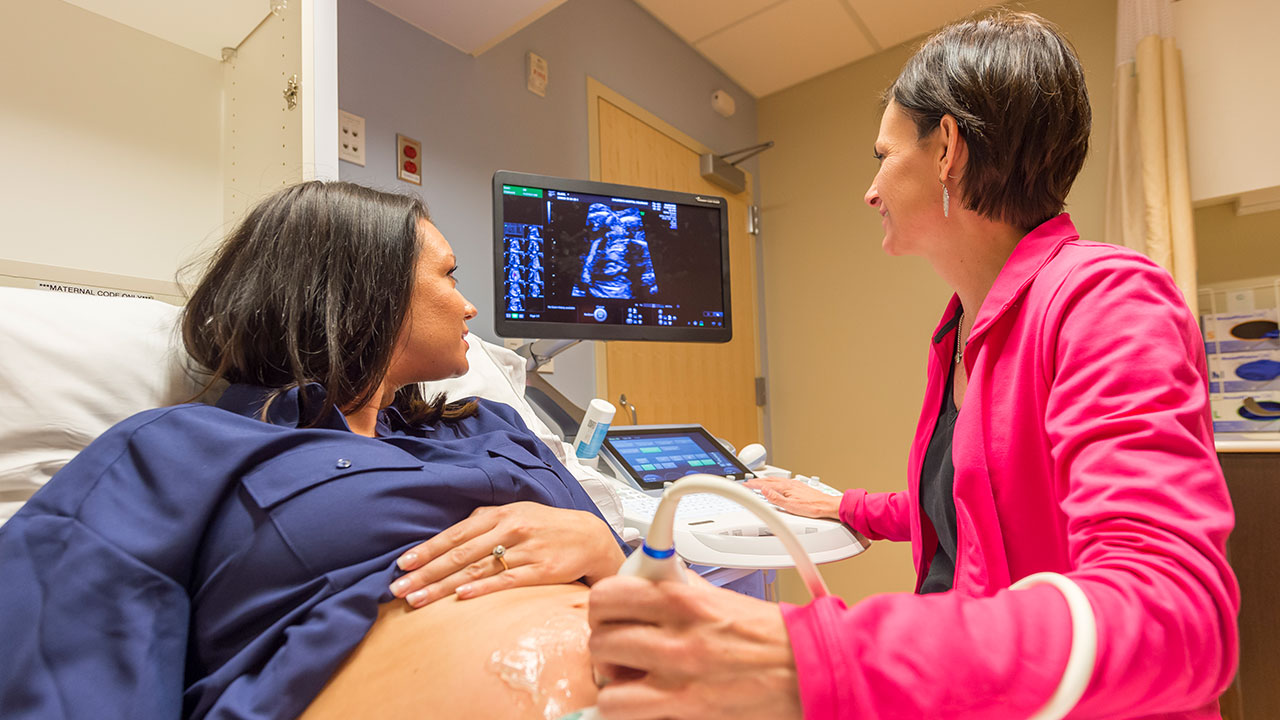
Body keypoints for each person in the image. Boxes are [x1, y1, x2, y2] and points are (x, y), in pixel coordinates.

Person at [587, 11, 1238, 720]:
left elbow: (1177, 619)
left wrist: (812, 659)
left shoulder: (1106, 300)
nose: (871, 191)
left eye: (882, 155)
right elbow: (979, 502)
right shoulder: (961, 330)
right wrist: (850, 508)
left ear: (947, 149)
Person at [0, 181, 625, 719]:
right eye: (448, 274)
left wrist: (603, 552)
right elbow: (62, 660)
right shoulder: (180, 447)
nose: (470, 306)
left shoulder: (492, 428)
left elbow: (649, 585)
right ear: (367, 286)